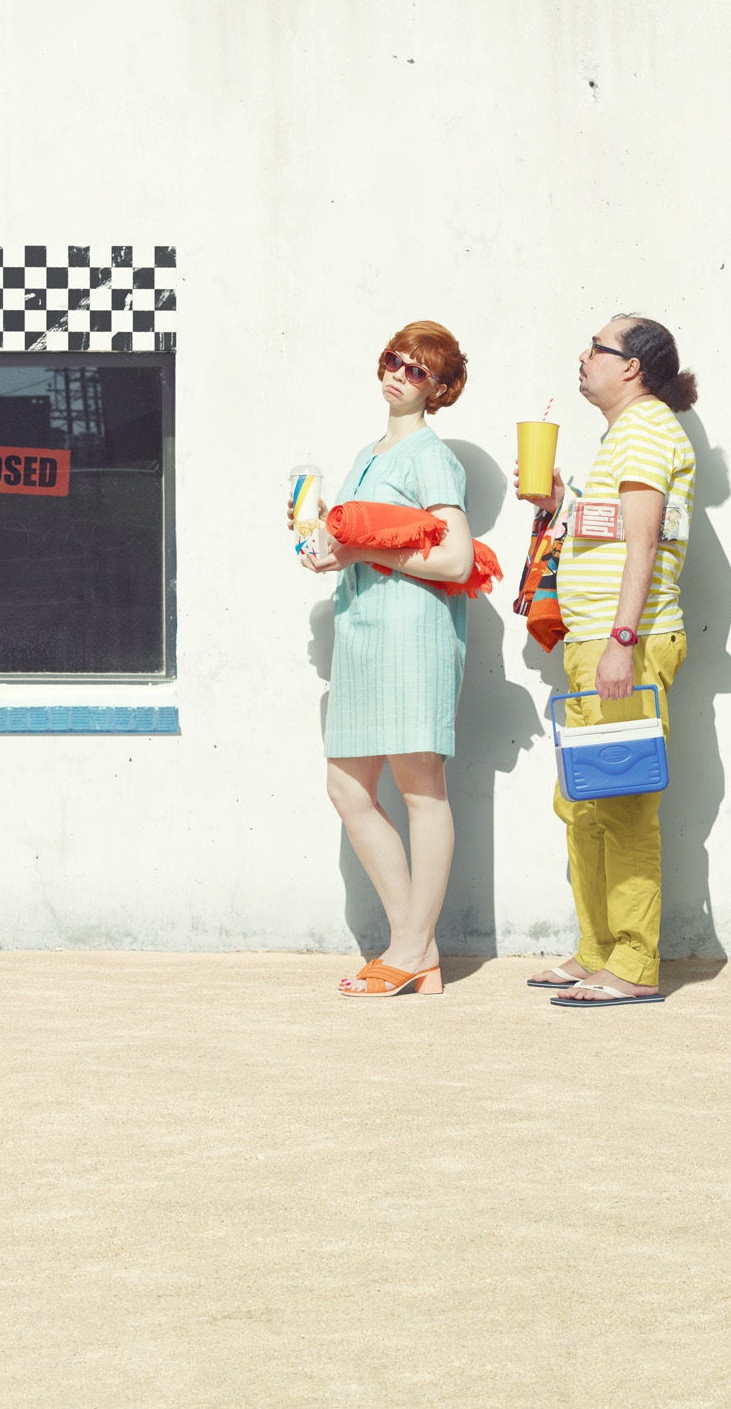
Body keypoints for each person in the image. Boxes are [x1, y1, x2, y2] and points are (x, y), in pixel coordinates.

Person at [521, 315, 697, 1007]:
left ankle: (632, 961)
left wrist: (623, 640)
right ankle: (598, 949)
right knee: (585, 802)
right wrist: (560, 503)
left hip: (623, 642)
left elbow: (646, 541)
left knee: (622, 804)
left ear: (632, 366)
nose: (583, 355)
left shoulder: (649, 429)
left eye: (597, 346)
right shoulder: (624, 434)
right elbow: (618, 529)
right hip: (595, 640)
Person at [310, 321, 475, 998]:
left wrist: (361, 550)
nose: (399, 374)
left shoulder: (432, 456)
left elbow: (457, 558)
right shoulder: (366, 453)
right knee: (348, 786)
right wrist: (325, 543)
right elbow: (362, 539)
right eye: (392, 360)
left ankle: (409, 948)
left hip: (412, 630)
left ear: (439, 387)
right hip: (363, 629)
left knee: (419, 789)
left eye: (416, 369)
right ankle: (419, 946)